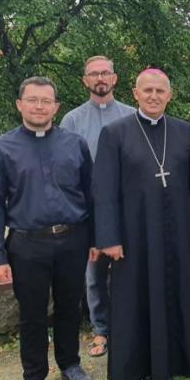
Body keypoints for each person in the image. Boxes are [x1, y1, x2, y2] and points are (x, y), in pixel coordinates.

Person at [93, 68, 190, 380]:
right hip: (136, 235)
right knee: (139, 296)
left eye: (160, 91)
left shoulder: (183, 131)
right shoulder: (114, 133)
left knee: (182, 288)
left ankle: (187, 356)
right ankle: (142, 366)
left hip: (181, 230)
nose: (153, 96)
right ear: (135, 93)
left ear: (169, 96)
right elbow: (104, 191)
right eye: (147, 90)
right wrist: (108, 238)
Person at [0, 77, 93, 380]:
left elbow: (91, 195)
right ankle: (33, 377)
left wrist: (96, 239)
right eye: (32, 100)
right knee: (32, 313)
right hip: (27, 245)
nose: (39, 106)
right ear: (20, 104)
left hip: (73, 239)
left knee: (70, 306)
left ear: (56, 107)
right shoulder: (0, 149)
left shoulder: (75, 144)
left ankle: (70, 364)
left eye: (46, 101)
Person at [60, 55, 133, 358]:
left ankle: (130, 325)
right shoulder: (72, 121)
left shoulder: (132, 115)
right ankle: (101, 330)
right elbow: (65, 169)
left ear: (114, 78)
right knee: (95, 274)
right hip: (89, 209)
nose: (100, 78)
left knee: (130, 270)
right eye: (94, 74)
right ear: (85, 80)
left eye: (105, 73)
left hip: (128, 207)